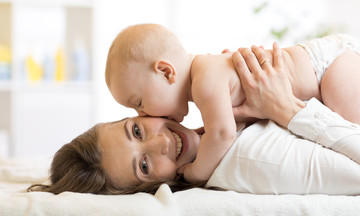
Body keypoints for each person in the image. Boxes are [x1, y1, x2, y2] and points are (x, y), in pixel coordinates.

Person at [28, 45, 360, 195]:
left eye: (137, 127)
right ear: (151, 188)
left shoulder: (209, 103)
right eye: (144, 166)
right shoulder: (247, 160)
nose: (160, 142)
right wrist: (286, 108)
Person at [105, 23, 360, 184]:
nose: (143, 114)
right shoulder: (206, 77)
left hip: (330, 66)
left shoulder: (204, 81)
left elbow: (222, 134)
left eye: (139, 103)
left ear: (165, 72)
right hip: (323, 70)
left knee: (350, 124)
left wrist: (197, 172)